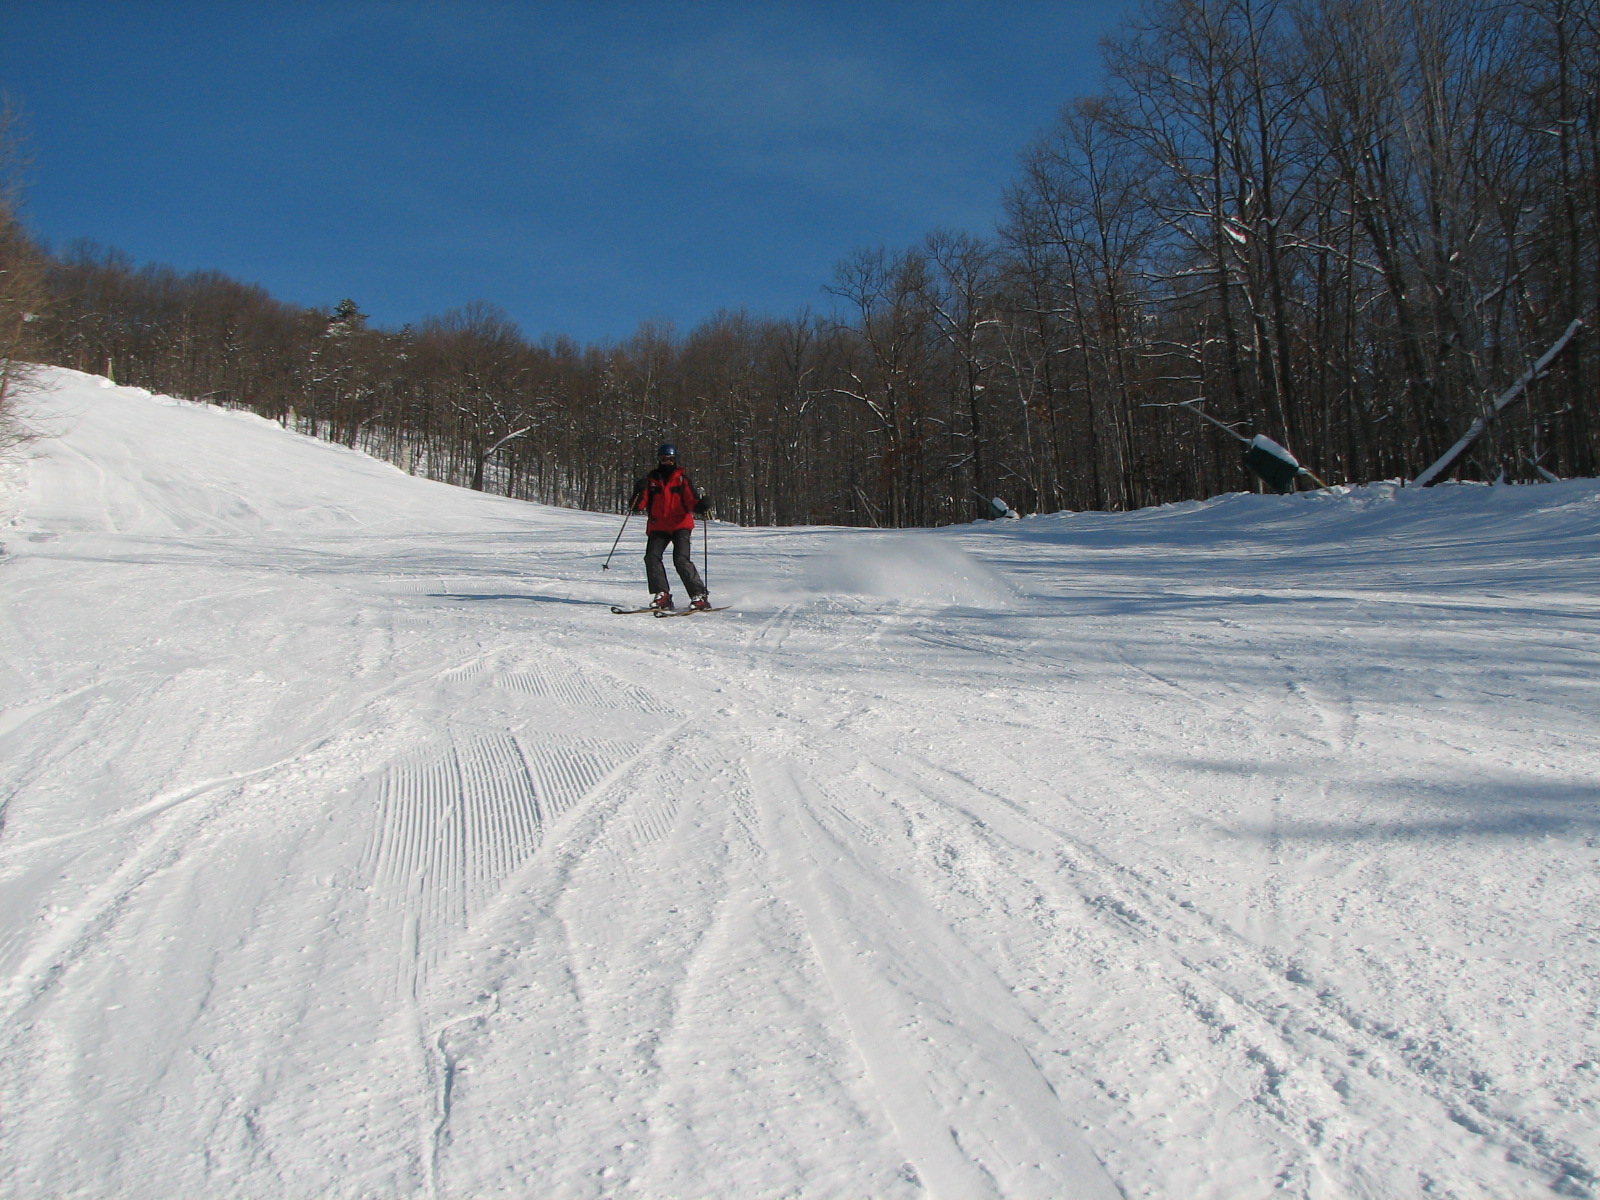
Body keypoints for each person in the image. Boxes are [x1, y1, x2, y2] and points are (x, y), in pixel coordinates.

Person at [630, 443, 711, 611]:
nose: (667, 462)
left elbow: (691, 501)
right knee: (652, 557)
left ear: (675, 460)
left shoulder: (682, 480)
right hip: (659, 526)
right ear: (659, 459)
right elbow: (638, 506)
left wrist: (701, 506)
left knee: (681, 559)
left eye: (670, 459)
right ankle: (662, 594)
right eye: (664, 459)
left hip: (680, 525)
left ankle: (699, 595)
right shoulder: (651, 480)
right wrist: (638, 491)